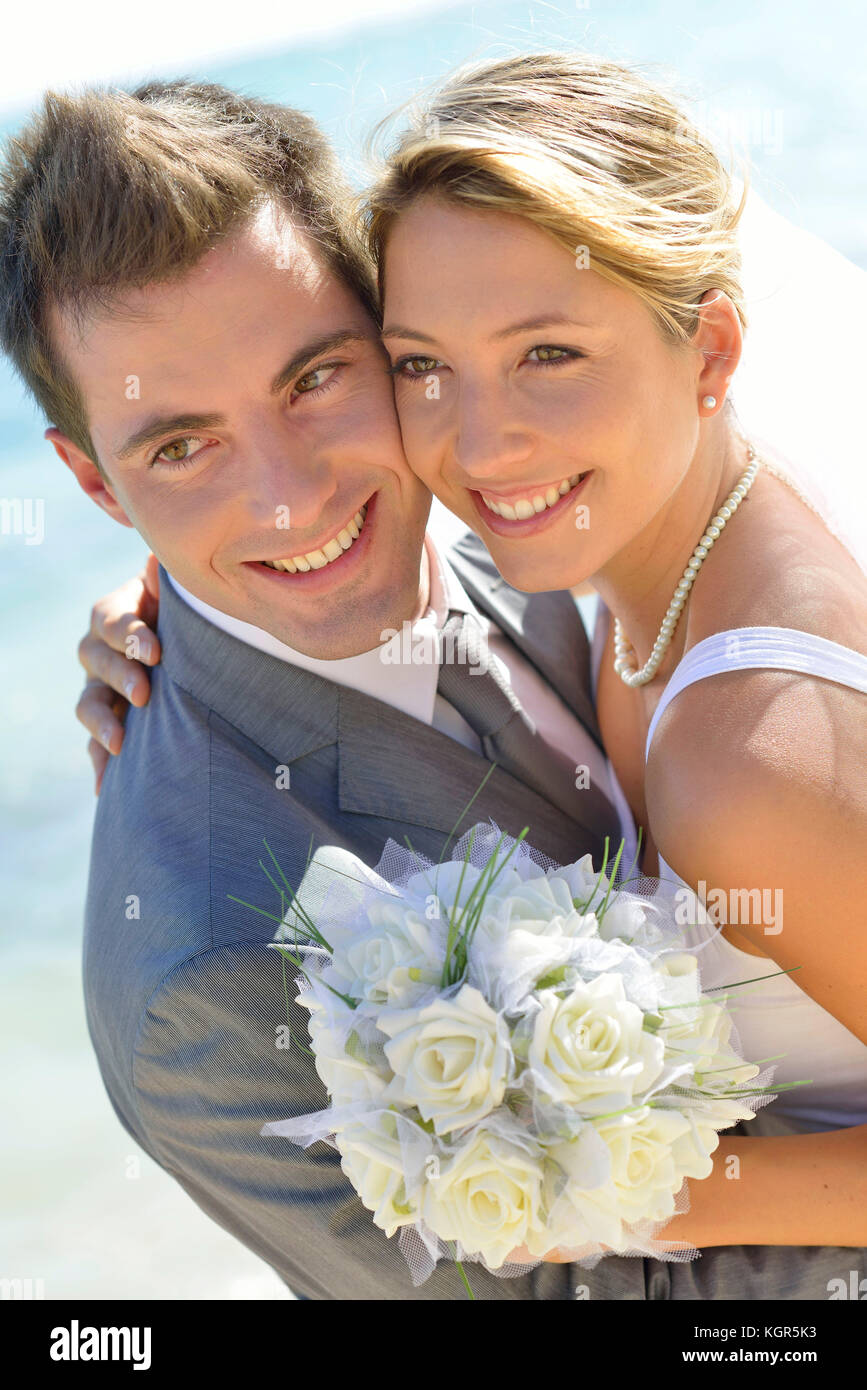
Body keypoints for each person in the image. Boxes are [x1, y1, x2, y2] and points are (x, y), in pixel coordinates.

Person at [36, 61, 867, 1293]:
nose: (290, 496)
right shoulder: (203, 976)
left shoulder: (539, 518)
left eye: (316, 378)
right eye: (181, 445)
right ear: (98, 486)